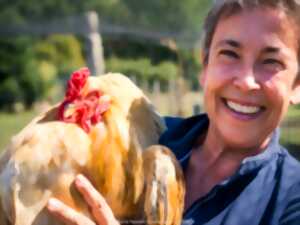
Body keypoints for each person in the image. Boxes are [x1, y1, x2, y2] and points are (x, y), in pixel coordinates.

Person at [47, 0, 300, 224]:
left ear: (297, 85)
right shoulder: (141, 138)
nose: (246, 81)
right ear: (205, 67)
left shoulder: (291, 199)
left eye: (271, 62)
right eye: (230, 54)